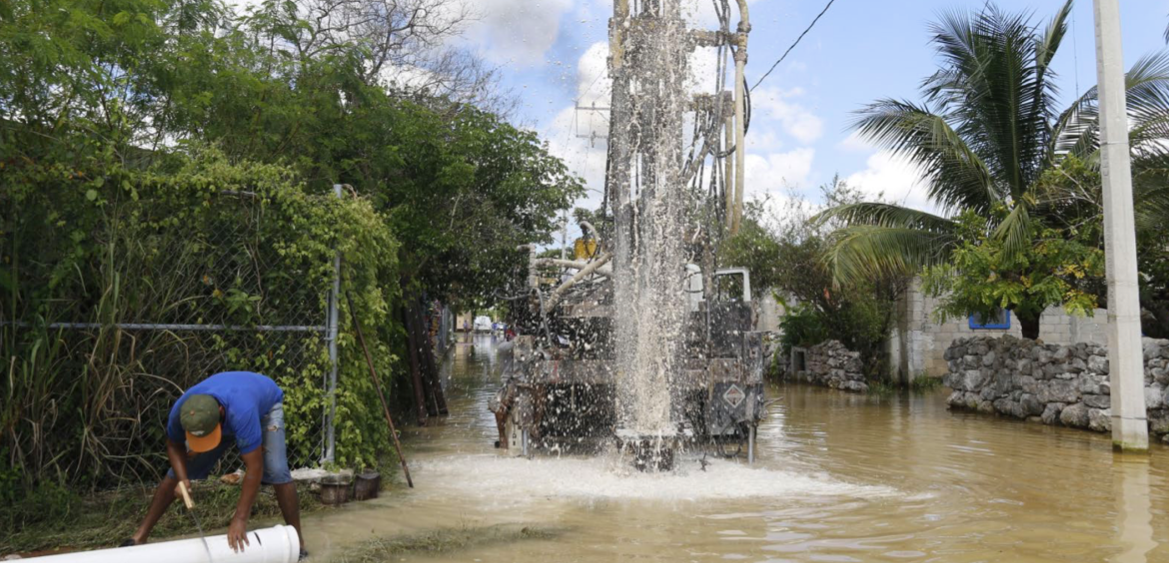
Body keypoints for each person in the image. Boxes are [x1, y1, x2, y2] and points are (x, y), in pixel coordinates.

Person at [123, 371, 307, 560]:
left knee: (277, 469)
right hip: (226, 414)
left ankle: (298, 543)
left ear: (220, 413)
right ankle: (140, 536)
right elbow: (174, 445)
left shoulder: (242, 412)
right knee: (177, 472)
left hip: (264, 408)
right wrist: (183, 479)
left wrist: (240, 518)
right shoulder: (183, 412)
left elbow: (255, 467)